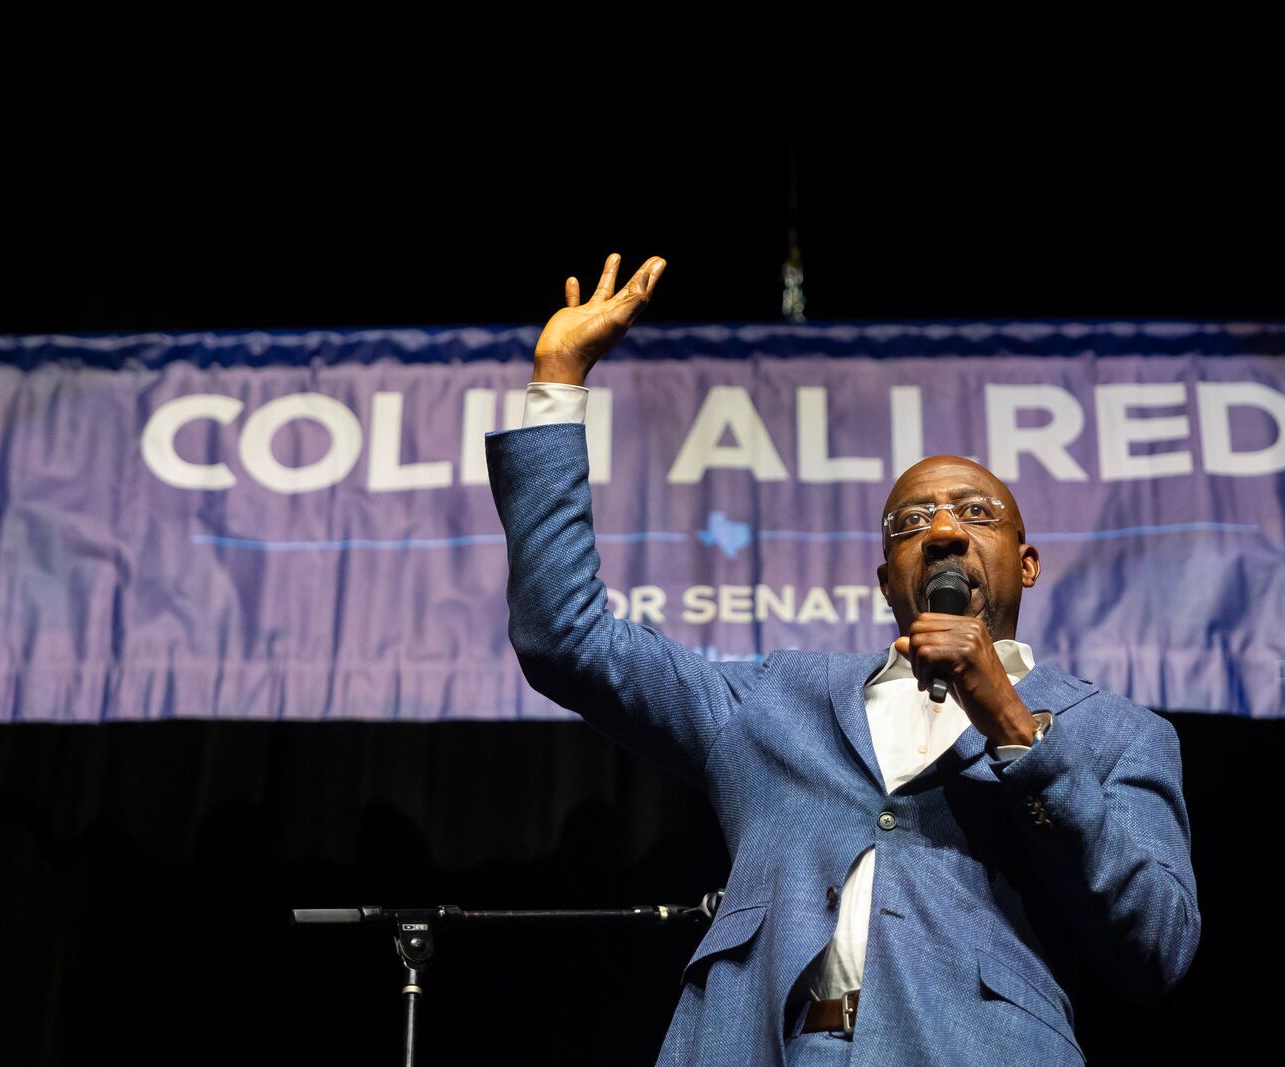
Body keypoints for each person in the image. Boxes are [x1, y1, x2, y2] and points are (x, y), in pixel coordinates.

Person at [486, 254, 1200, 1067]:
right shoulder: (776, 700)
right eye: (911, 521)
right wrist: (557, 376)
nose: (941, 528)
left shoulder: (1117, 732)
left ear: (1027, 562)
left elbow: (1156, 947)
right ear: (884, 577)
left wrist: (1011, 721)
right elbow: (565, 635)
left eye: (975, 511)